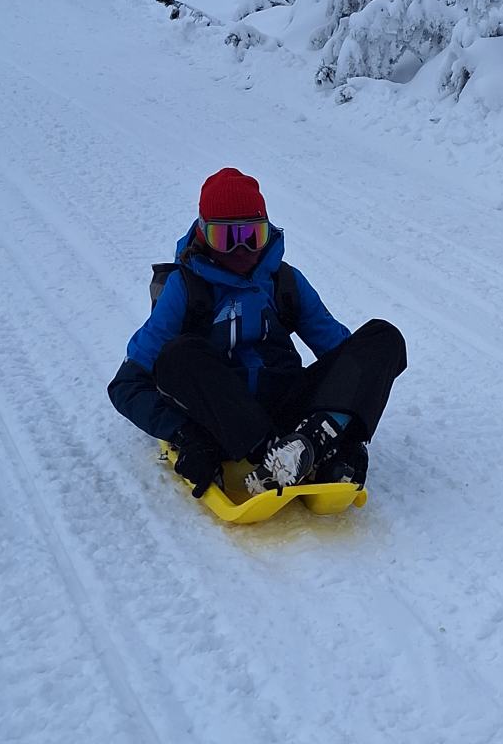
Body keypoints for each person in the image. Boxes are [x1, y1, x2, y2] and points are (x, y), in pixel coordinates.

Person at [108, 167, 407, 499]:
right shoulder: (186, 288)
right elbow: (127, 385)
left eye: (253, 235)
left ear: (267, 231)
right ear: (204, 235)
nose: (241, 249)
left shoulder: (284, 281)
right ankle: (278, 455)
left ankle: (313, 441)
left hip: (288, 410)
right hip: (223, 418)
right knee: (178, 354)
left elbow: (347, 360)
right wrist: (185, 435)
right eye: (226, 238)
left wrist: (352, 431)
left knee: (383, 338)